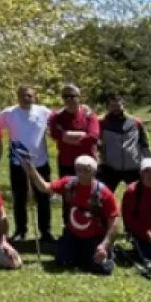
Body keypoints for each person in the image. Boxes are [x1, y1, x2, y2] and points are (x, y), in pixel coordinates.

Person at [23, 153, 118, 275]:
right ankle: (79, 254)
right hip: (73, 235)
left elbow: (114, 221)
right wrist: (31, 170)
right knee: (63, 262)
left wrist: (104, 245)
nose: (81, 173)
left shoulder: (104, 193)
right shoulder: (68, 183)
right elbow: (44, 188)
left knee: (103, 269)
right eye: (78, 169)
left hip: (95, 237)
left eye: (86, 170)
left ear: (94, 172)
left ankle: (104, 254)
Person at [0, 85, 53, 243]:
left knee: (43, 197)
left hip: (40, 162)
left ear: (34, 97)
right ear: (18, 96)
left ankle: (46, 232)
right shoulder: (9, 113)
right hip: (18, 163)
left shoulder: (44, 112)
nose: (26, 98)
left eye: (29, 95)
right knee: (19, 198)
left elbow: (60, 119)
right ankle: (21, 230)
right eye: (23, 95)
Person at [47, 84, 101, 229]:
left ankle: (92, 224)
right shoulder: (56, 117)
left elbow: (93, 136)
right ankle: (68, 226)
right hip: (67, 162)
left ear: (79, 98)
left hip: (88, 163)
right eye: (65, 96)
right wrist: (81, 135)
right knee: (68, 195)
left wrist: (67, 136)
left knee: (91, 194)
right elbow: (54, 134)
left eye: (73, 96)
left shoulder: (89, 116)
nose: (69, 100)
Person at [98, 92, 151, 194]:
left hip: (133, 167)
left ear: (123, 104)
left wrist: (149, 163)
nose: (116, 108)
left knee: (139, 196)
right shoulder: (102, 122)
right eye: (112, 106)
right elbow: (94, 141)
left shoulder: (136, 122)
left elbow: (144, 144)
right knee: (103, 196)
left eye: (118, 105)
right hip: (110, 168)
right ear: (108, 106)